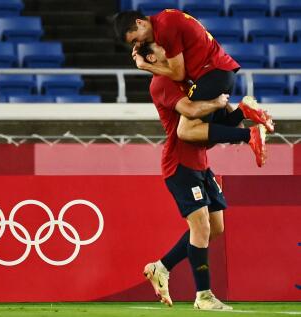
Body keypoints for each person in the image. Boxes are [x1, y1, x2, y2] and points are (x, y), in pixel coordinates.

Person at [133, 42, 270, 311]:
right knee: (201, 228)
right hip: (180, 164)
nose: (170, 50)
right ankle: (203, 295)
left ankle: (160, 268)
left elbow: (216, 122)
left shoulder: (185, 77)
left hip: (201, 163)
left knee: (215, 228)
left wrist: (239, 111)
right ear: (152, 56)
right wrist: (218, 103)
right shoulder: (161, 83)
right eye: (161, 47)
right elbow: (191, 112)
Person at [113, 10, 274, 158]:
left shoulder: (164, 30)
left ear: (140, 22)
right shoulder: (166, 18)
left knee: (185, 131)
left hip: (212, 73)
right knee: (206, 135)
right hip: (222, 72)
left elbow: (178, 74)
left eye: (135, 39)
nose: (138, 44)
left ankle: (250, 135)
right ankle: (244, 111)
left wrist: (145, 66)